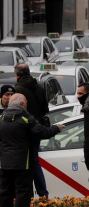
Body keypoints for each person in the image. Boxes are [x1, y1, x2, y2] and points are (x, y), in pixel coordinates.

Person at [0, 94, 64, 207]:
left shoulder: (1, 117)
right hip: (23, 163)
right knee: (22, 192)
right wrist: (56, 128)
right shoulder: (25, 117)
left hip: (5, 163)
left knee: (5, 192)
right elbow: (42, 132)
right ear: (22, 104)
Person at [14, 63, 49, 198]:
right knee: (34, 160)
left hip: (23, 129)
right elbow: (45, 110)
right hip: (37, 128)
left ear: (17, 74)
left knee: (26, 162)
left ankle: (28, 194)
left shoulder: (18, 89)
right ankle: (42, 193)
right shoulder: (39, 88)